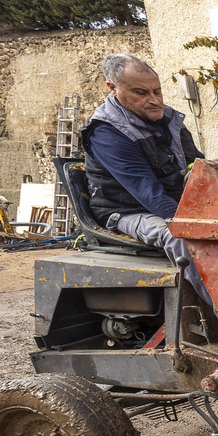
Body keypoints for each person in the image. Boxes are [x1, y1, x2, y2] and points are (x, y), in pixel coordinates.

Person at [81, 53, 208, 300]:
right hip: (127, 210)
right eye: (141, 93)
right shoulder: (107, 132)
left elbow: (200, 168)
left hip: (171, 203)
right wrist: (190, 224)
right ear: (113, 88)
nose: (154, 100)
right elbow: (148, 192)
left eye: (157, 91)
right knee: (181, 237)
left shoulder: (170, 122)